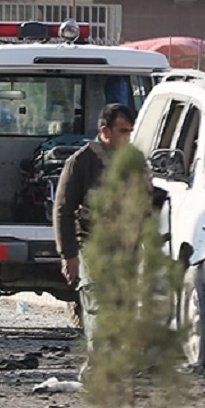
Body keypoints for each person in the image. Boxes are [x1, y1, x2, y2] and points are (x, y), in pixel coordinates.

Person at [53, 103, 138, 338]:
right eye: (123, 131)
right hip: (92, 245)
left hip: (125, 249)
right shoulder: (81, 162)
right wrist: (68, 255)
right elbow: (63, 209)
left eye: (130, 131)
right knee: (97, 308)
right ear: (105, 131)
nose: (128, 137)